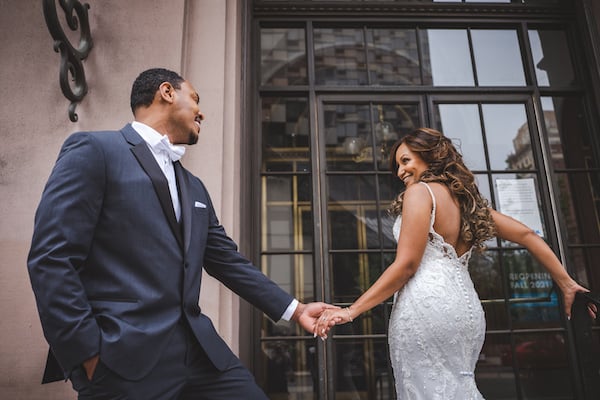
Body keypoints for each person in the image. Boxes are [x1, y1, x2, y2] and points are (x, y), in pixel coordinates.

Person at [27, 68, 335, 400]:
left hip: (200, 354)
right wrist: (86, 355)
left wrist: (295, 309)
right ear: (167, 92)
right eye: (196, 99)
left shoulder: (194, 187)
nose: (202, 111)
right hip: (121, 358)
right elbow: (51, 257)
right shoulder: (95, 150)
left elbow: (227, 261)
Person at [315, 127, 597, 399]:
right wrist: (566, 282)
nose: (400, 172)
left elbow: (407, 265)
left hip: (426, 308)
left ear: (430, 155)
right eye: (397, 166)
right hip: (466, 311)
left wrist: (352, 311)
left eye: (405, 161)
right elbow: (526, 234)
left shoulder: (420, 193)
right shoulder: (468, 204)